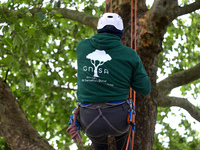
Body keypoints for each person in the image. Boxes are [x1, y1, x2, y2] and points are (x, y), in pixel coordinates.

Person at [76, 13, 151, 150]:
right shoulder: (129, 54)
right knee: (124, 142)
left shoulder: (82, 47)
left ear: (99, 29)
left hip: (89, 118)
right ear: (120, 33)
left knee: (99, 144)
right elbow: (145, 89)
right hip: (117, 118)